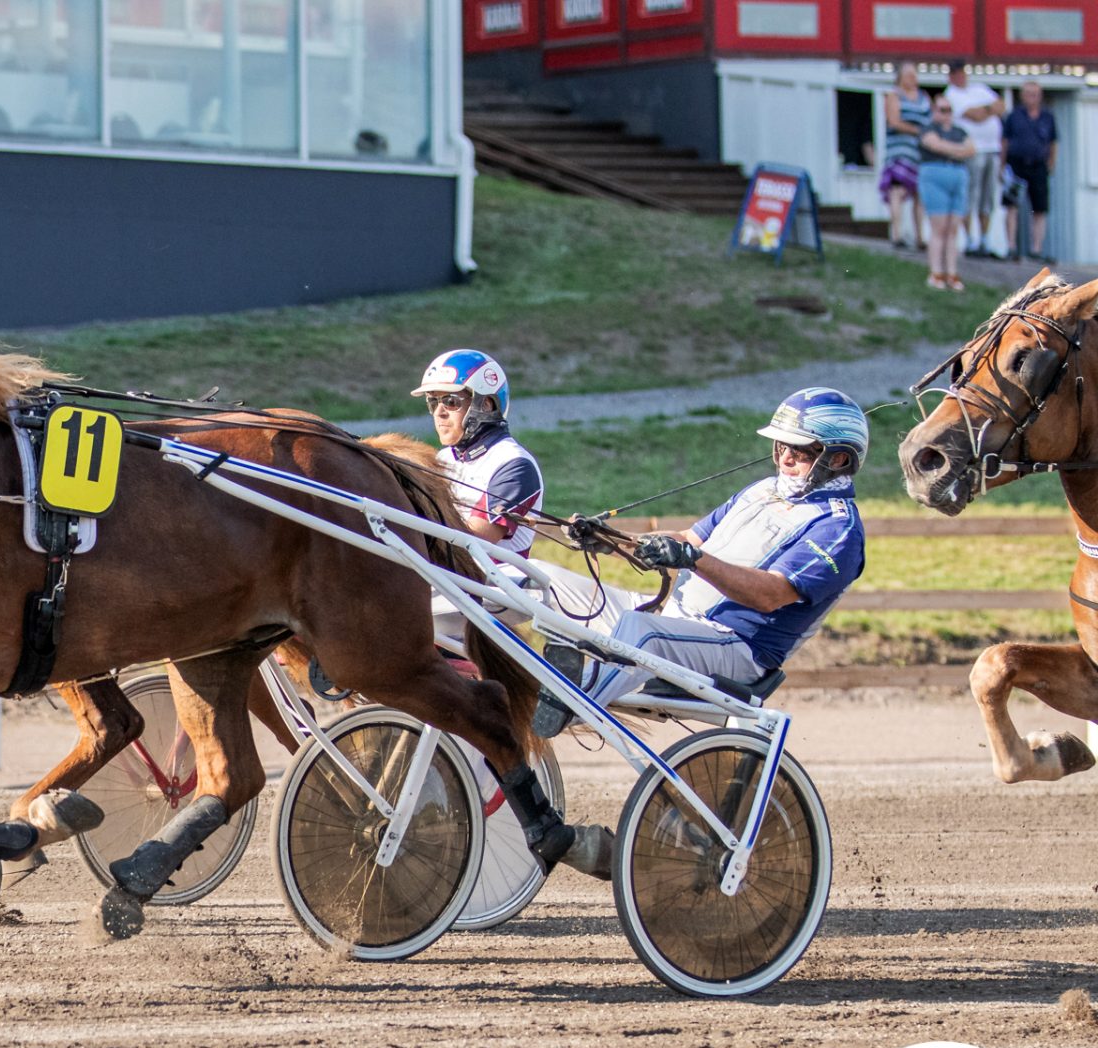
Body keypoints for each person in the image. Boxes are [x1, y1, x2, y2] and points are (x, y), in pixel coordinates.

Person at [533, 390, 869, 874]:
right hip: (673, 619)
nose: (785, 456)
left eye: (800, 449)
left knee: (642, 634)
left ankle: (558, 700)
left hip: (737, 651)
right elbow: (686, 542)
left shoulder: (838, 529)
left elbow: (770, 594)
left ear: (837, 458)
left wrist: (694, 559)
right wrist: (609, 540)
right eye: (781, 445)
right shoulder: (760, 491)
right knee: (540, 579)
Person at [411, 349, 545, 642]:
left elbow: (472, 542)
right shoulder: (442, 459)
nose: (439, 413)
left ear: (486, 404)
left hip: (492, 589)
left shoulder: (514, 465)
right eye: (433, 402)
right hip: (447, 583)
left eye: (451, 401)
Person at [943, 62, 1005, 256]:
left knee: (988, 196)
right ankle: (969, 239)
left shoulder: (980, 89)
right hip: (971, 151)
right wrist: (989, 109)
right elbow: (975, 115)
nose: (961, 77)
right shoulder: (951, 94)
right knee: (971, 194)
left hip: (992, 149)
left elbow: (1001, 106)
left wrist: (985, 109)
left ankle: (985, 239)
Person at [917, 96, 974, 291]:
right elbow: (934, 145)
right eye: (942, 110)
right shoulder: (928, 129)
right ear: (934, 111)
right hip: (935, 176)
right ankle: (936, 273)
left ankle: (951, 273)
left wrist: (948, 148)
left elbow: (971, 149)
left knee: (953, 229)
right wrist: (957, 149)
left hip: (957, 175)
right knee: (938, 228)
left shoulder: (960, 131)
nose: (946, 114)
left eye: (949, 110)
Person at [1002, 81, 1057, 261]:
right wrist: (1002, 165)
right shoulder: (1014, 116)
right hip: (1016, 164)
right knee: (1011, 205)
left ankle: (1036, 249)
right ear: (1022, 96)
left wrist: (1051, 163)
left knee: (1039, 208)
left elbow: (1053, 142)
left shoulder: (1047, 117)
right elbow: (1005, 141)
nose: (1031, 97)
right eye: (1028, 93)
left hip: (1038, 165)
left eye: (1035, 94)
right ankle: (1011, 247)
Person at [880, 62, 931, 252]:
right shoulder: (894, 95)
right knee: (897, 191)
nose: (912, 78)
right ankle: (897, 234)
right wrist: (917, 131)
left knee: (919, 194)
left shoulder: (924, 97)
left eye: (914, 74)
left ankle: (920, 237)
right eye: (908, 75)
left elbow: (930, 120)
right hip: (899, 151)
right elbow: (894, 121)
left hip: (919, 153)